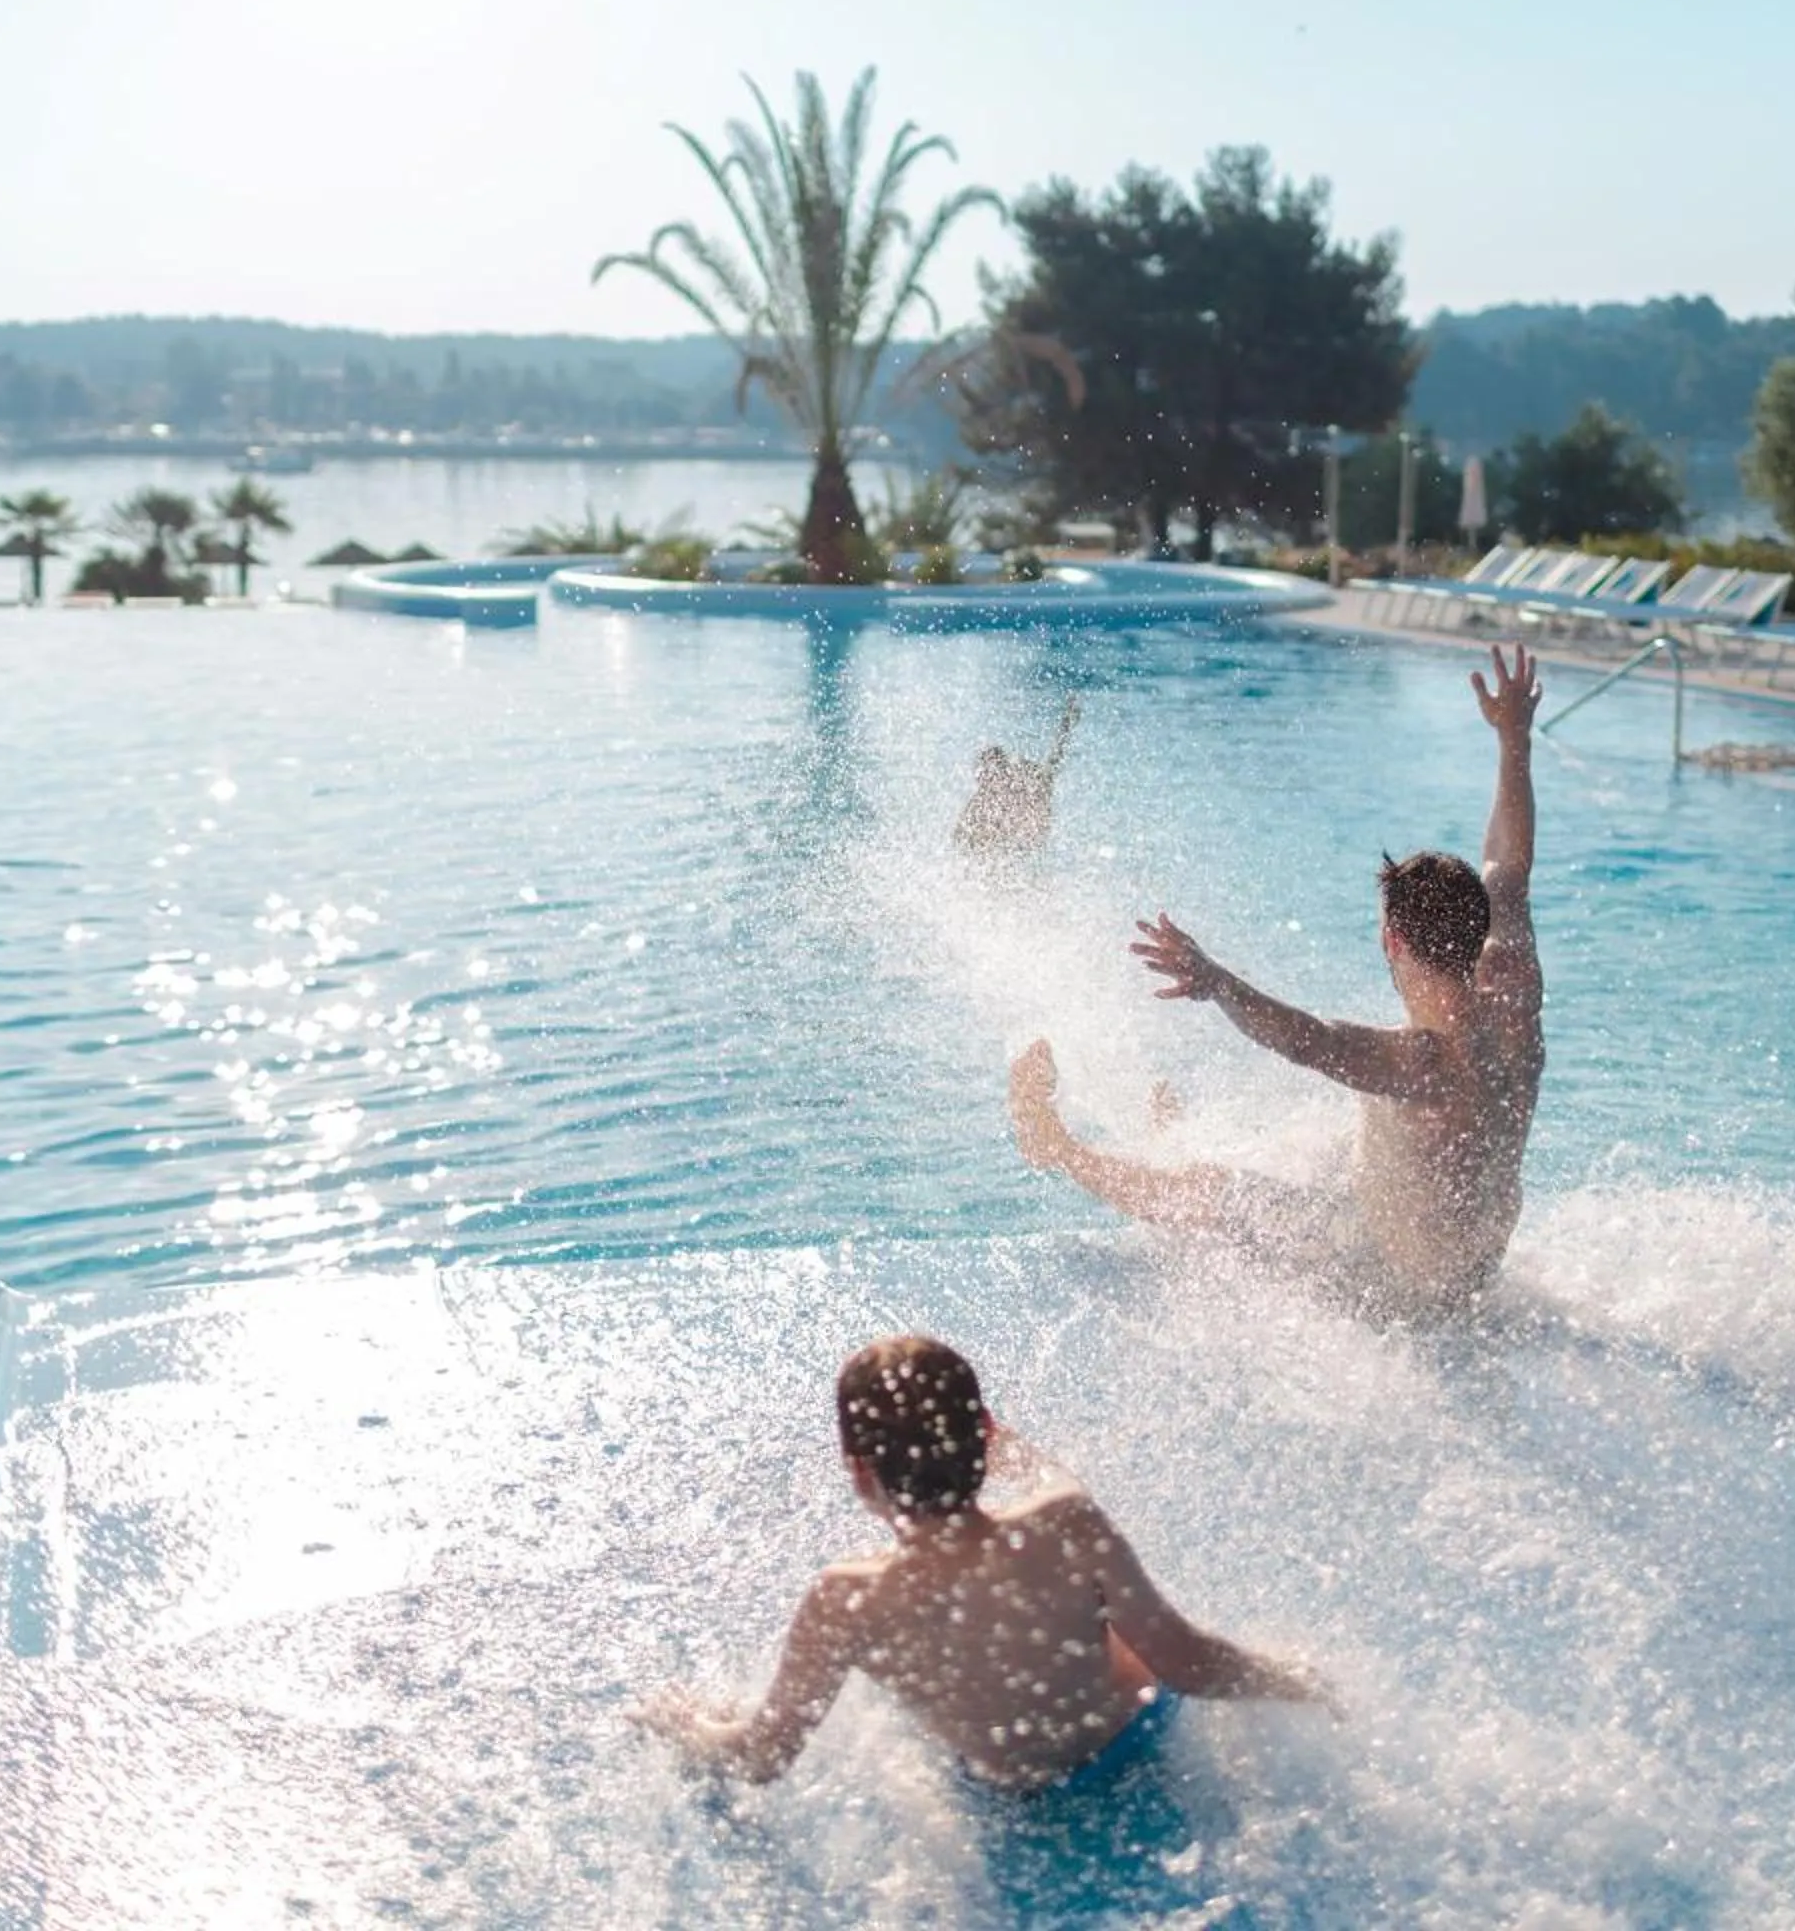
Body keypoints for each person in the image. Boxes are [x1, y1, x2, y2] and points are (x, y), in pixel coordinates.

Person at [1010, 644, 1548, 1318]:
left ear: (1394, 942)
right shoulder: (1515, 1001)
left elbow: (1309, 1039)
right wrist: (1514, 738)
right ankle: (1169, 1140)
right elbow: (1508, 868)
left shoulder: (1422, 1061)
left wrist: (1217, 982)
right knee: (1326, 1149)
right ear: (1477, 932)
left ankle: (1055, 1147)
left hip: (1400, 1291)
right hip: (1473, 1274)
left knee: (1216, 1193)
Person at [631, 1335, 1318, 1790]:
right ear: (985, 1437)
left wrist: (684, 1724)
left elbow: (761, 1756)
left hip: (1009, 1787)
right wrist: (1300, 1681)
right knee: (1081, 1588)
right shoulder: (1066, 1522)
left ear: (860, 1471)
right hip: (1129, 1742)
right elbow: (1187, 1661)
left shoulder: (844, 1600)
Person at [954, 695, 1083, 860]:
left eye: (987, 772)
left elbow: (1053, 763)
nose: (982, 777)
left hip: (1026, 827)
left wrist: (1066, 727)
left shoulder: (1026, 782)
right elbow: (960, 835)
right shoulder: (983, 800)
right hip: (1015, 830)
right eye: (982, 773)